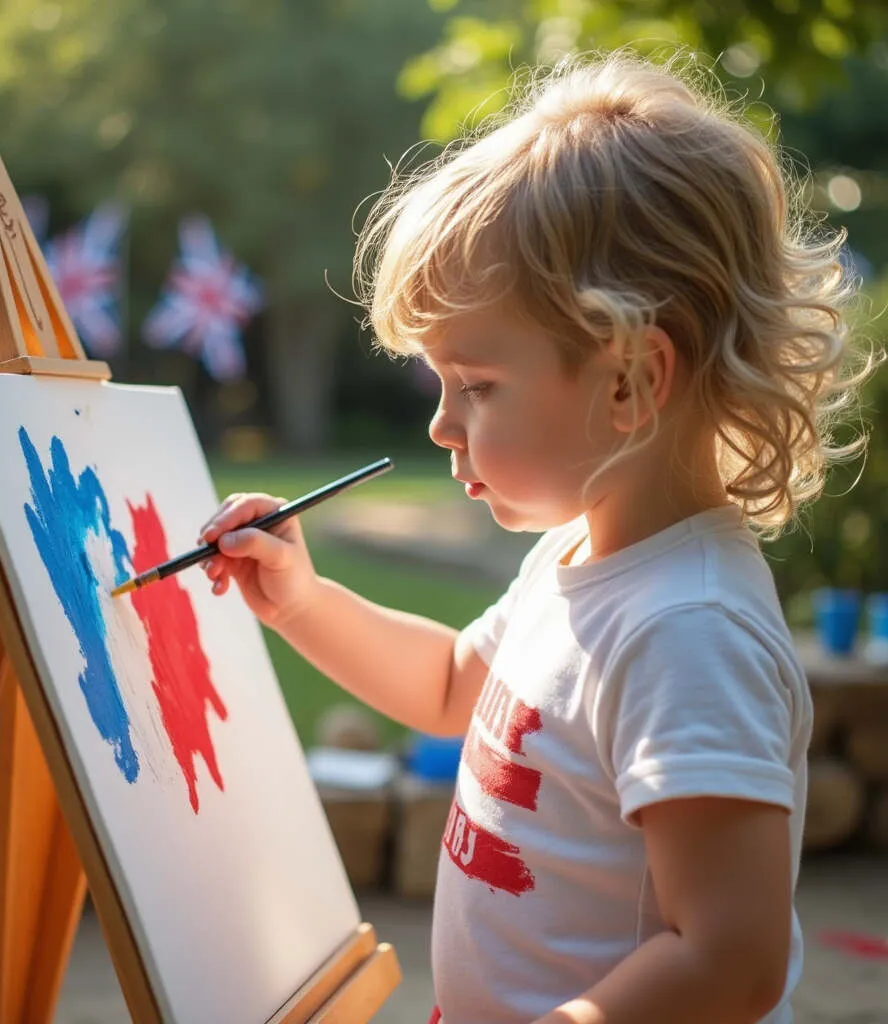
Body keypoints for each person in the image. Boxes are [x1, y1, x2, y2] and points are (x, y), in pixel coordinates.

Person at [200, 51, 876, 1024]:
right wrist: (302, 601)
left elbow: (730, 960)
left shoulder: (688, 632)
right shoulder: (576, 556)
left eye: (476, 386)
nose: (442, 425)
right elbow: (449, 688)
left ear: (629, 381)